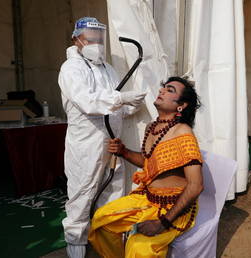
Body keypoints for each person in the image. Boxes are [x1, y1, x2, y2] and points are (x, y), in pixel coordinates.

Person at [58, 17, 147, 258]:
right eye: (91, 38)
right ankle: (76, 241)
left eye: (99, 38)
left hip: (112, 142)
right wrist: (121, 99)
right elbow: (88, 102)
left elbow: (115, 104)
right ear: (77, 38)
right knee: (82, 191)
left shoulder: (107, 68)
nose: (96, 43)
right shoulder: (71, 69)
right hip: (86, 144)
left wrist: (131, 106)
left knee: (113, 187)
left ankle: (107, 234)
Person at [88, 76, 203, 257]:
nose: (162, 91)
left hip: (172, 209)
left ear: (181, 105)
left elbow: (195, 186)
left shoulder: (183, 133)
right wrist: (124, 152)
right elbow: (149, 162)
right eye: (163, 87)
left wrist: (162, 223)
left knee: (138, 247)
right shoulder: (152, 127)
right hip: (146, 198)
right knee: (101, 221)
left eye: (170, 90)